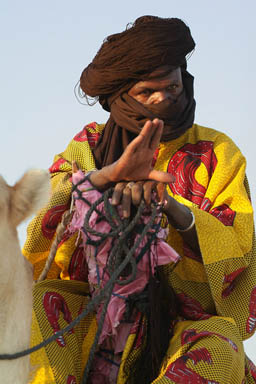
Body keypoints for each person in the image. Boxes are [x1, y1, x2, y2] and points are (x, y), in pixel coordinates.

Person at [23, 16, 256, 384]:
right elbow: (46, 229)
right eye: (149, 91)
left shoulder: (218, 153)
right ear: (123, 97)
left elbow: (239, 247)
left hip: (183, 327)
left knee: (221, 350)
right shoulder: (89, 146)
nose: (163, 98)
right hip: (93, 316)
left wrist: (176, 211)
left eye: (173, 87)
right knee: (37, 309)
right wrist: (106, 177)